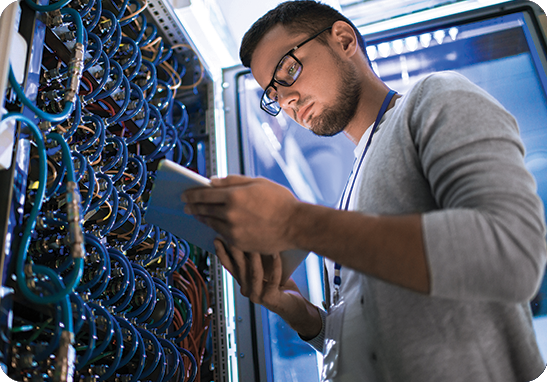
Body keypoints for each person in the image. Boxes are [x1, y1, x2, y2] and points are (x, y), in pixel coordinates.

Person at [181, 1, 547, 380]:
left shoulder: (435, 98)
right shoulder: (349, 193)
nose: (285, 100)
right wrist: (301, 314)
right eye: (272, 95)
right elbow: (374, 333)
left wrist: (295, 222)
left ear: (342, 40)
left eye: (288, 70)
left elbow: (511, 254)